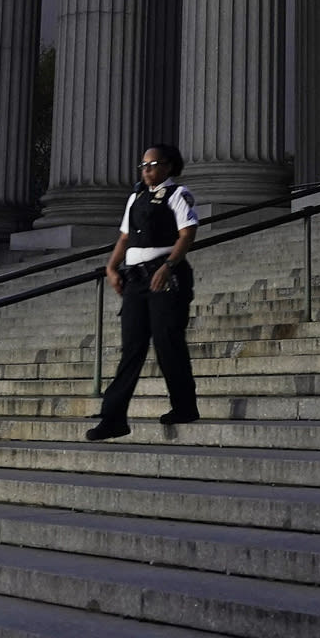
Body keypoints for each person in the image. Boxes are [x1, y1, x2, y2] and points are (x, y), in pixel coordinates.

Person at [86, 143, 200, 439]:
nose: (147, 170)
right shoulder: (135, 196)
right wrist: (112, 267)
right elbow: (125, 236)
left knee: (167, 343)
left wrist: (169, 266)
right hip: (135, 280)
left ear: (168, 166)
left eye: (152, 164)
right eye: (144, 166)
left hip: (165, 276)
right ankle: (113, 418)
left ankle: (184, 406)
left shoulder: (178, 195)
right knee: (132, 348)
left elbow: (187, 233)